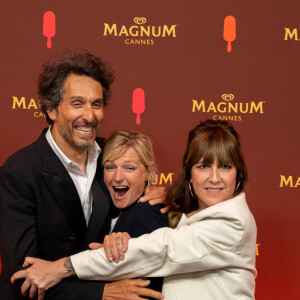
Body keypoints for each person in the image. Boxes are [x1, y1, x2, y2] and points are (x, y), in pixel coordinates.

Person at [11, 119, 257, 300]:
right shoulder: (180, 210)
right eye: (203, 167)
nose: (214, 178)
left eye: (225, 167)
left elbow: (160, 250)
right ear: (190, 175)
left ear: (239, 175)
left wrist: (59, 268)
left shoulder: (231, 221)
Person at [0, 51, 165, 300]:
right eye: (77, 103)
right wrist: (101, 293)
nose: (89, 116)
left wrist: (162, 192)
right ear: (52, 109)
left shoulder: (111, 157)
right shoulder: (19, 172)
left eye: (96, 104)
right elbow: (24, 275)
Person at [101, 130, 168, 296]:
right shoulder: (112, 213)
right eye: (110, 167)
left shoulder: (145, 212)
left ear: (148, 173)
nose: (118, 177)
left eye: (129, 168)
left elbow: (148, 289)